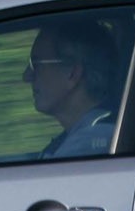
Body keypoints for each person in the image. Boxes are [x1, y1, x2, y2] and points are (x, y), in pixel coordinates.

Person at [26, 17, 120, 158]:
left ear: (73, 73)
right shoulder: (83, 135)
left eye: (36, 64)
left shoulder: (90, 142)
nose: (27, 76)